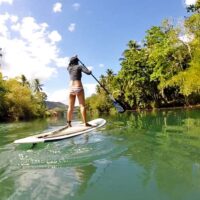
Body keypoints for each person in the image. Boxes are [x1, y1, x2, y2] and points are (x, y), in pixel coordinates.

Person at [66, 55, 92, 127]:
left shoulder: (69, 68)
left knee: (70, 107)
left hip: (71, 88)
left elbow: (70, 64)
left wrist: (75, 58)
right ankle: (85, 123)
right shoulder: (79, 66)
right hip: (78, 86)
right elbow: (88, 72)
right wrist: (89, 71)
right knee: (82, 106)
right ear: (77, 61)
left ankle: (68, 123)